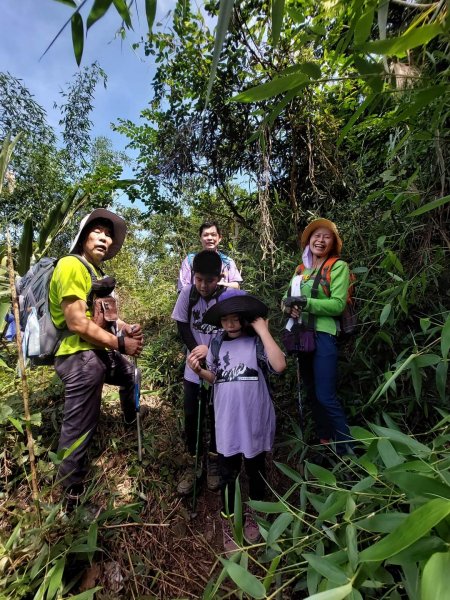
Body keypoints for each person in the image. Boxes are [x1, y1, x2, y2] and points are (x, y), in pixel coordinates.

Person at [49, 208, 144, 508]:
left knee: (131, 375)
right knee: (79, 426)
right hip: (78, 357)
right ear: (83, 235)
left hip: (97, 352)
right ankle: (69, 500)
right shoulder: (70, 266)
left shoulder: (95, 273)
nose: (104, 238)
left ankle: (131, 419)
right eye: (98, 231)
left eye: (108, 235)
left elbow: (103, 317)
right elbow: (77, 322)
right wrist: (120, 343)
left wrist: (125, 328)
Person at [188, 289, 286, 552]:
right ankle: (230, 523)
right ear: (219, 321)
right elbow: (216, 378)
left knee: (255, 472)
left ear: (245, 319)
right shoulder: (217, 345)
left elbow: (279, 366)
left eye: (236, 318)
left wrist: (264, 331)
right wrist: (200, 371)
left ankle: (254, 515)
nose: (230, 324)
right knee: (228, 476)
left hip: (254, 419)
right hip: (227, 421)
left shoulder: (257, 342)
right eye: (225, 319)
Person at [283, 218, 353, 458]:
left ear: (333, 242)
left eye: (327, 237)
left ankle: (347, 452)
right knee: (313, 394)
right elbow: (286, 299)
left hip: (324, 335)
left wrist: (305, 303)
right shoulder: (300, 270)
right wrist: (289, 308)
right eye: (316, 236)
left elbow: (337, 305)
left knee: (325, 395)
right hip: (302, 337)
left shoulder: (338, 267)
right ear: (309, 240)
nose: (320, 240)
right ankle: (325, 444)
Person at [172, 250, 225, 495]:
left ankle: (214, 462)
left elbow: (232, 331)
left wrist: (210, 352)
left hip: (219, 370)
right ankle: (193, 464)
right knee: (192, 413)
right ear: (193, 276)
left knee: (216, 416)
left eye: (210, 280)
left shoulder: (226, 298)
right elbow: (182, 325)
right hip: (193, 368)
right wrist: (196, 352)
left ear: (220, 277)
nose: (204, 285)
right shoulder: (187, 294)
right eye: (199, 279)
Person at [177, 221, 242, 292]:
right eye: (205, 235)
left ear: (219, 238)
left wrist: (220, 285)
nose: (209, 238)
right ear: (200, 238)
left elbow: (237, 286)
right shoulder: (190, 260)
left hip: (222, 302)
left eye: (213, 235)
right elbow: (182, 288)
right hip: (196, 302)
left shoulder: (228, 262)